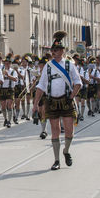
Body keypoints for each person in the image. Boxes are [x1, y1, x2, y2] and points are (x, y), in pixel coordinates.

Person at [33, 31, 82, 170]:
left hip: (66, 100)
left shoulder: (69, 65)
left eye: (58, 49)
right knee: (54, 130)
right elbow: (41, 86)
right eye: (54, 50)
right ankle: (56, 160)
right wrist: (35, 103)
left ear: (63, 50)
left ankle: (66, 150)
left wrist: (72, 96)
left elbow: (78, 82)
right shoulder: (48, 66)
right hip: (52, 101)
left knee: (69, 131)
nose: (56, 52)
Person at [0, 53, 18, 128]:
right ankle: (5, 119)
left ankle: (9, 121)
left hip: (10, 89)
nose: (7, 64)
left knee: (9, 105)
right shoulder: (0, 70)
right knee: (3, 106)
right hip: (2, 89)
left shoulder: (13, 71)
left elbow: (15, 79)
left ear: (10, 64)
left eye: (8, 63)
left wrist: (8, 75)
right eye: (5, 63)